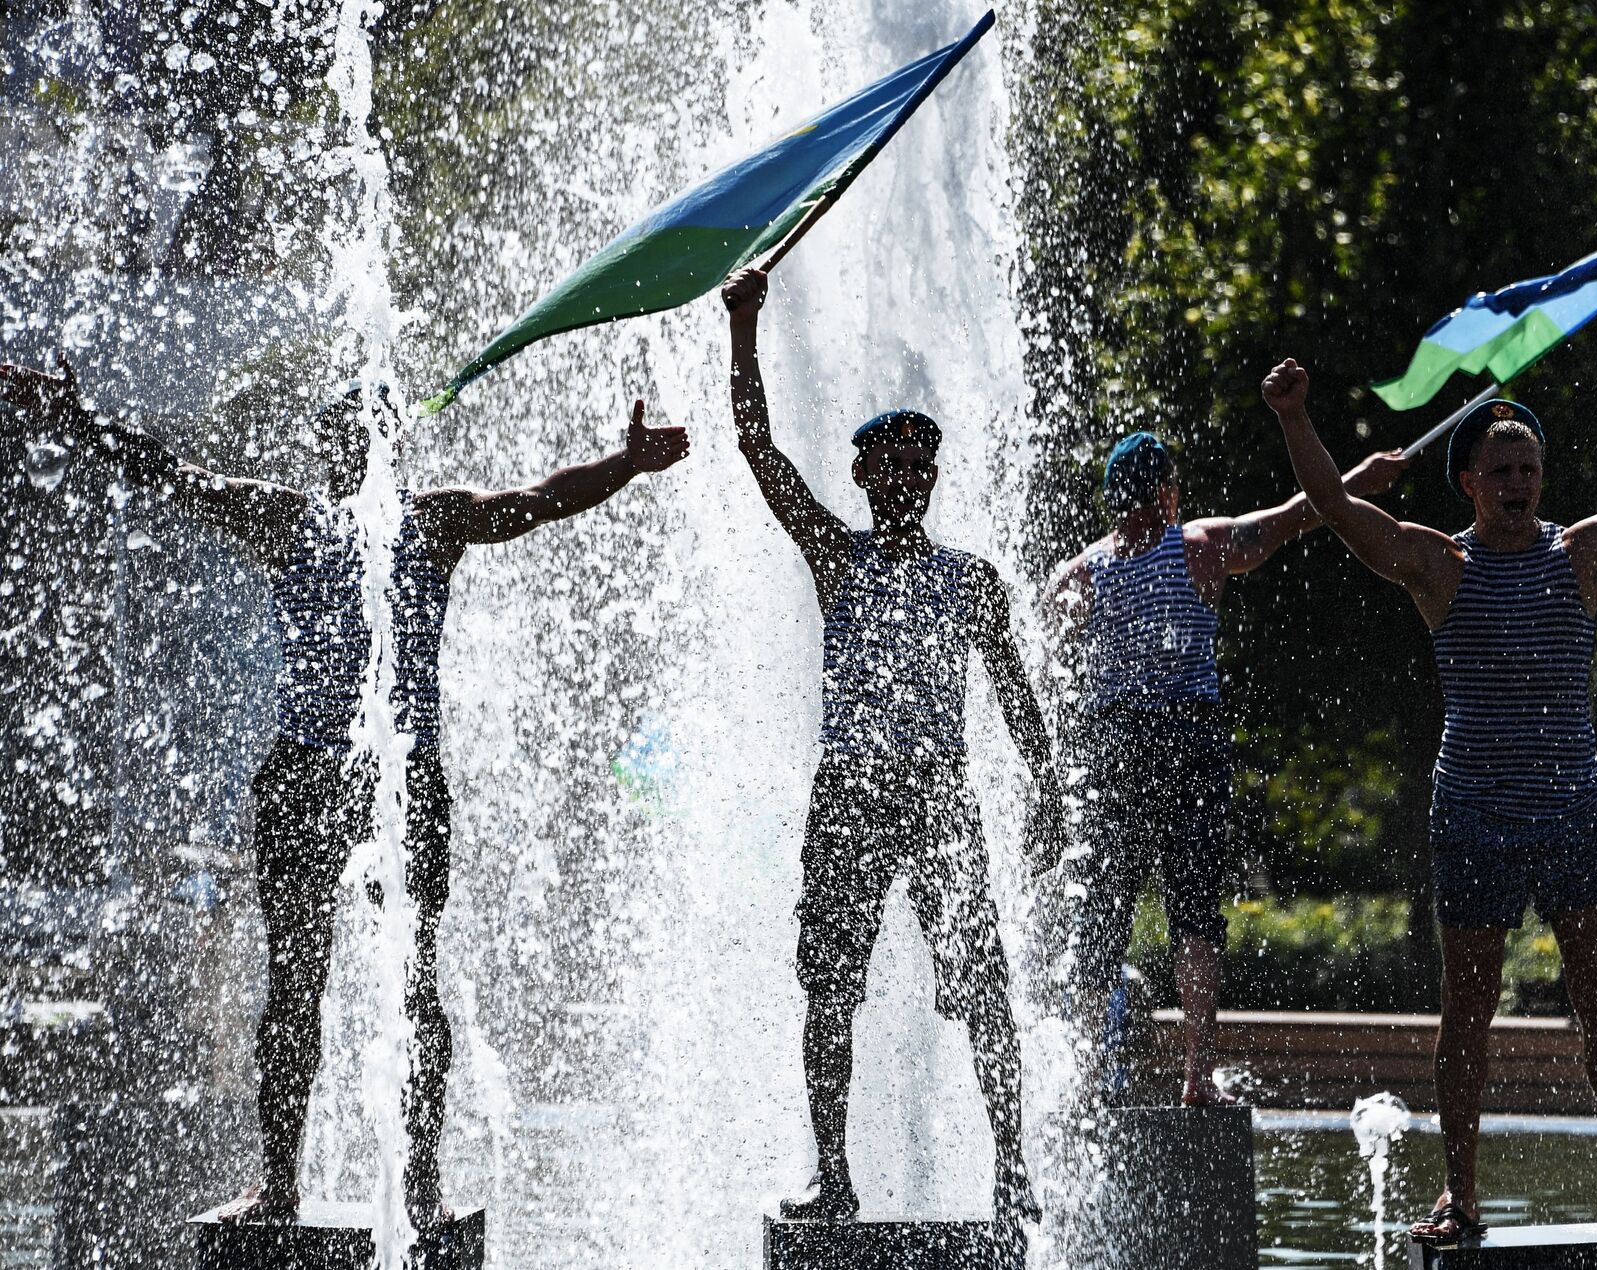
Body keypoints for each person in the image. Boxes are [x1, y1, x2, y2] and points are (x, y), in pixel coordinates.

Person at [0, 359, 689, 1227]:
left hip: (400, 775)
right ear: (326, 450)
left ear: (396, 447)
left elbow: (541, 498)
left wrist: (621, 467)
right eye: (347, 434)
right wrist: (84, 420)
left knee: (415, 980)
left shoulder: (436, 521)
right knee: (295, 980)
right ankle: (281, 1184)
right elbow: (177, 478)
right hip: (305, 771)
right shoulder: (290, 520)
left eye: (378, 433)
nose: (363, 448)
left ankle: (423, 1186)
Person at [1262, 348, 1597, 1245]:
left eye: (1528, 469)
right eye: (1499, 471)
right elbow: (1340, 511)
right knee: (1469, 1004)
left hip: (1572, 810)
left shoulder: (1584, 553)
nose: (1516, 483)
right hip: (1474, 816)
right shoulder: (1438, 565)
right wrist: (1296, 419)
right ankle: (1458, 1199)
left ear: (1542, 477)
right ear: (1468, 482)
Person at [720, 266, 1063, 1246]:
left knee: (983, 986)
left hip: (939, 796)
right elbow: (757, 448)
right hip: (850, 793)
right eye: (894, 464)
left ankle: (1012, 1172)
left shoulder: (972, 580)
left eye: (925, 464)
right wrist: (745, 327)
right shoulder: (839, 557)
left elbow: (1014, 696)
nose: (911, 476)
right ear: (867, 476)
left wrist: (1043, 787)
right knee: (830, 985)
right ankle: (834, 1177)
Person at [1045, 431, 1406, 1106]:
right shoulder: (1197, 546)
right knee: (1195, 914)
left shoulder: (1078, 574)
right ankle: (1196, 1076)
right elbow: (1300, 513)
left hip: (1114, 745)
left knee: (1101, 915)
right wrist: (1361, 474)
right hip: (1189, 739)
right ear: (1168, 493)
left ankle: (1090, 1079)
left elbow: (1047, 661)